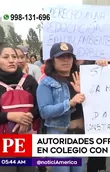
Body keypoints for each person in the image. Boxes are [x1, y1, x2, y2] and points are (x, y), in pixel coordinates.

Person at [0, 43, 39, 172]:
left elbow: (40, 106)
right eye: (6, 57)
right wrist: (10, 116)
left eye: (14, 56)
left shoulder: (29, 81)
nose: (12, 60)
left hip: (27, 138)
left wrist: (28, 116)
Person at [36, 42, 85, 172]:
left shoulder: (82, 78)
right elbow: (44, 112)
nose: (66, 60)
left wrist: (83, 92)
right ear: (52, 61)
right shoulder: (46, 83)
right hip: (59, 134)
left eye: (69, 57)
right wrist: (69, 103)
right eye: (61, 57)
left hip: (80, 134)